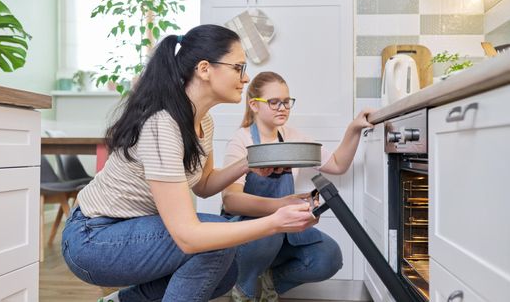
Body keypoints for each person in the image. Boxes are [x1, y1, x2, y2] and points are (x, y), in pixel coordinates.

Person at [61, 25, 319, 302]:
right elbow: (188, 237)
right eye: (238, 68)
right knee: (215, 244)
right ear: (205, 69)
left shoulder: (203, 121)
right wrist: (275, 222)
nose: (245, 79)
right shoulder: (163, 124)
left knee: (227, 272)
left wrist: (247, 164)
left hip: (130, 231)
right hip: (93, 237)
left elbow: (204, 185)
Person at [222, 71, 374, 301]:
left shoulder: (292, 137)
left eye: (286, 101)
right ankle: (245, 288)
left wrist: (354, 128)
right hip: (246, 236)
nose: (282, 107)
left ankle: (269, 283)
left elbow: (336, 164)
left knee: (329, 256)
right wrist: (281, 206)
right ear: (254, 104)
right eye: (274, 102)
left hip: (280, 230)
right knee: (271, 229)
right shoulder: (242, 140)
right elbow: (231, 201)